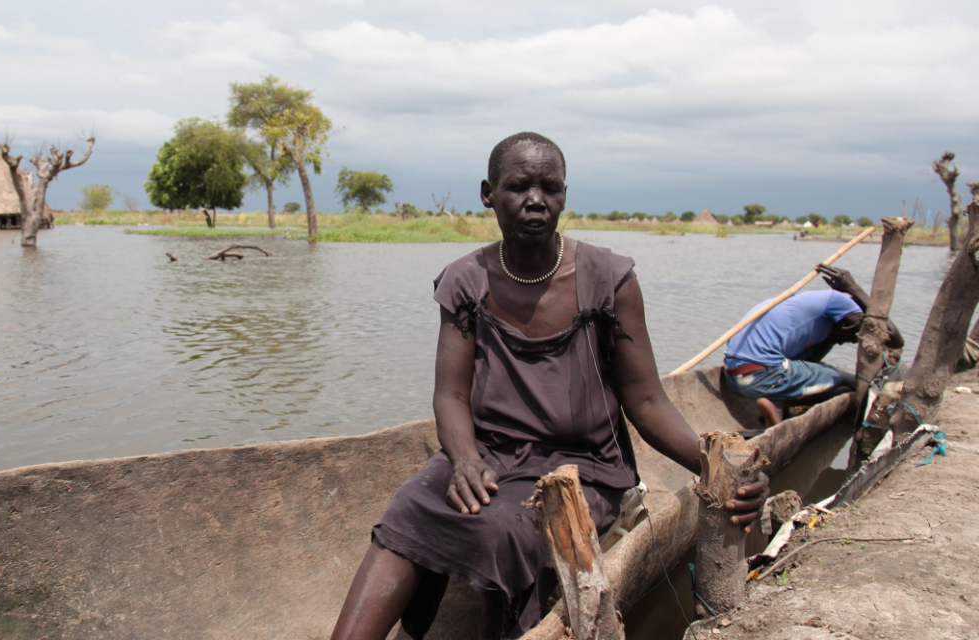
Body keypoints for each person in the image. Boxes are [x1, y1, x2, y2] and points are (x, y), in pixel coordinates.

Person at [329, 133, 768, 640]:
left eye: (550, 187)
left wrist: (716, 469)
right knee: (409, 507)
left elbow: (646, 401)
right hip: (491, 452)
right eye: (518, 186)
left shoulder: (610, 279)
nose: (536, 199)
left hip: (581, 465)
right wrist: (465, 459)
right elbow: (450, 394)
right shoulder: (465, 280)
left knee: (506, 528)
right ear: (488, 194)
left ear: (563, 194)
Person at [722, 266, 904, 427]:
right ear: (848, 322)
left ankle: (779, 400)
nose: (845, 342)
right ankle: (779, 403)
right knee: (850, 383)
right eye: (851, 337)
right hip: (763, 374)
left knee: (822, 352)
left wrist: (830, 341)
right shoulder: (839, 302)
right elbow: (895, 340)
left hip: (734, 378)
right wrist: (854, 289)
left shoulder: (807, 307)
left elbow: (813, 356)